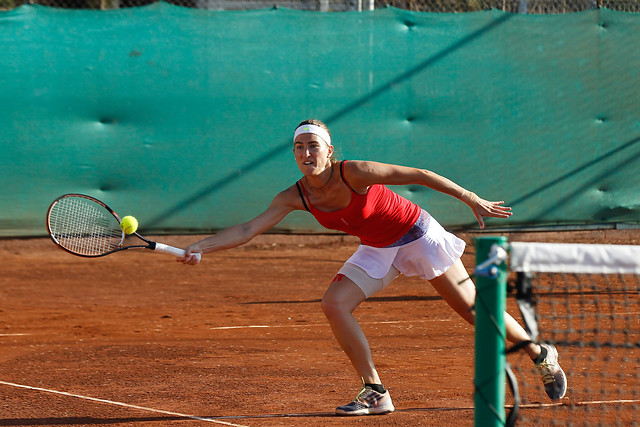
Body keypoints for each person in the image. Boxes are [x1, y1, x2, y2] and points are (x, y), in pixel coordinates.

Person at [179, 119, 567, 416]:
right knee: (334, 304)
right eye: (299, 147)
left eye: (313, 145)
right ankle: (375, 391)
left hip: (417, 235)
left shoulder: (356, 172)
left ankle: (540, 354)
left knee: (473, 312)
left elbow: (418, 175)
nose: (305, 153)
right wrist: (200, 246)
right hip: (378, 246)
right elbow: (248, 228)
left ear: (329, 150)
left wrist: (470, 198)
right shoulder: (294, 195)